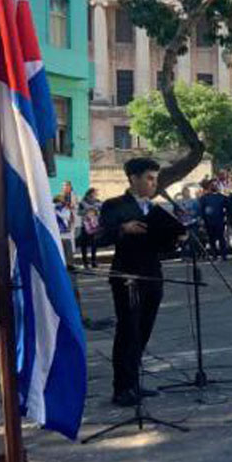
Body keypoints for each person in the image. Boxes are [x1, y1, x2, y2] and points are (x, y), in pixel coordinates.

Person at [98, 158, 181, 406]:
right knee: (128, 331)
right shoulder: (114, 205)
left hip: (152, 275)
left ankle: (134, 382)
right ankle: (121, 388)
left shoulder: (155, 209)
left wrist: (175, 239)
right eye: (149, 178)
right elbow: (100, 237)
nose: (154, 183)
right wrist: (123, 228)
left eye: (155, 178)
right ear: (133, 178)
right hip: (127, 276)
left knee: (143, 330)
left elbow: (160, 246)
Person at [199, 181, 229, 260]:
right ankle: (214, 255)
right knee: (211, 239)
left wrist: (225, 216)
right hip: (209, 222)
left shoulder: (222, 197)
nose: (214, 186)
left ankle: (223, 255)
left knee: (221, 238)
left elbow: (228, 207)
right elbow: (201, 210)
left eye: (215, 185)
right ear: (209, 186)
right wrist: (202, 220)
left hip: (219, 221)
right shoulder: (204, 198)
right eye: (212, 185)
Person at [77, 188, 102, 268]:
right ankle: (85, 262)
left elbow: (102, 211)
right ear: (89, 193)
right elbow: (79, 212)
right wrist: (87, 211)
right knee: (84, 244)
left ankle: (93, 261)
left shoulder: (98, 202)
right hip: (85, 225)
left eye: (96, 193)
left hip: (94, 225)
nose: (95, 195)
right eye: (94, 193)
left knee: (94, 243)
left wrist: (96, 212)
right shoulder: (83, 202)